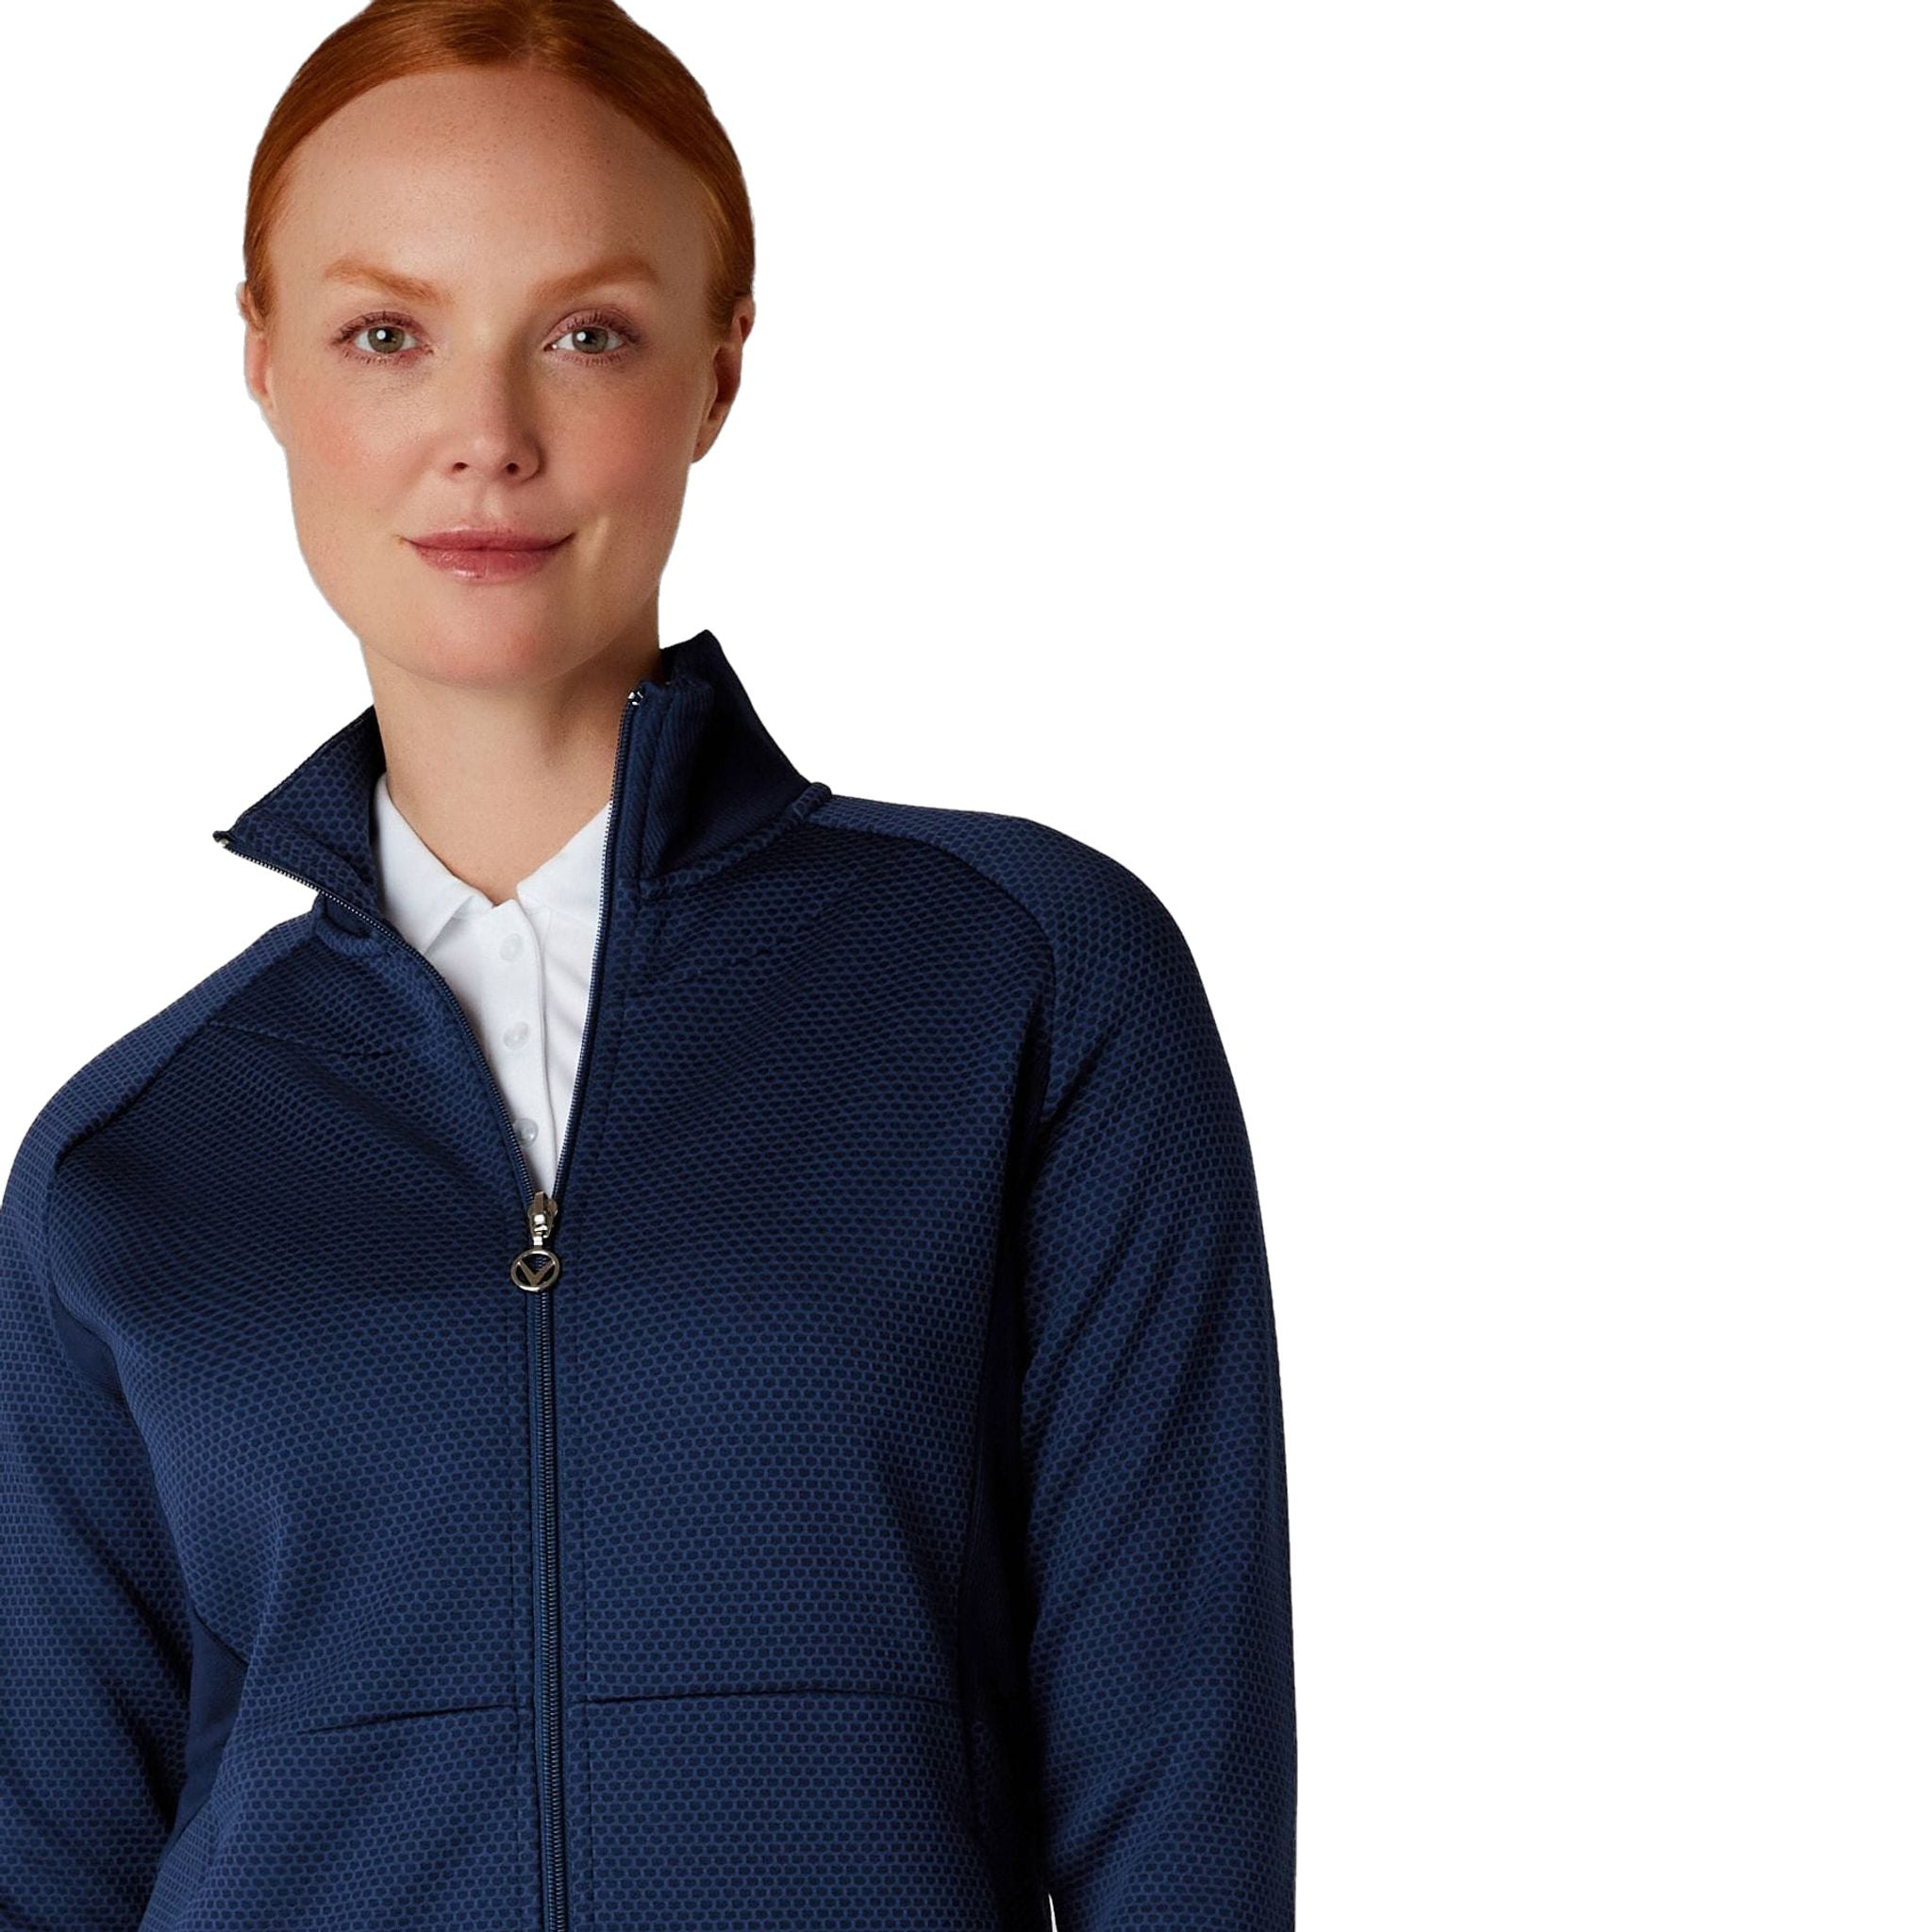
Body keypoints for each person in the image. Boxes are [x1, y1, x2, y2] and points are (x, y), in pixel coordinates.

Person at [0, 4, 1296, 1928]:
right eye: (386, 334)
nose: (487, 436)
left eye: (587, 334)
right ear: (263, 362)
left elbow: (1179, 1806)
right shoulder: (128, 1161)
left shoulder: (1020, 984)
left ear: (717, 370)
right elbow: (52, 1866)